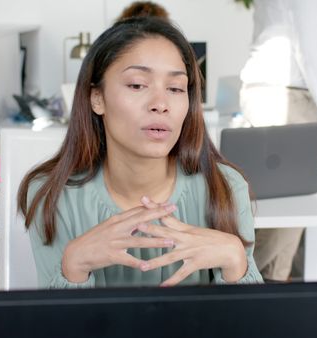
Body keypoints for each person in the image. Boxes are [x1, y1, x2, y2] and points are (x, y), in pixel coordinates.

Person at [18, 17, 263, 288]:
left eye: (175, 88)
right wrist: (73, 267)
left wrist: (235, 262)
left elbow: (250, 325)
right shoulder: (52, 194)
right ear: (97, 98)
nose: (161, 104)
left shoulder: (226, 187)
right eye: (137, 85)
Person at [238, 0, 317, 281]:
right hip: (286, 95)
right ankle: (237, 280)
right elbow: (310, 47)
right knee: (294, 207)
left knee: (281, 207)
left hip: (271, 91)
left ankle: (267, 293)